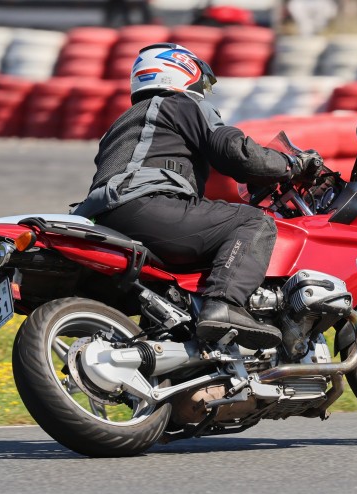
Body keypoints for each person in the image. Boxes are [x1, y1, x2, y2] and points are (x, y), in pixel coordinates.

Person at [70, 43, 321, 351]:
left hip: (103, 218)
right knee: (254, 222)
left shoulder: (123, 124)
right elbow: (235, 153)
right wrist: (289, 164)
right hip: (148, 206)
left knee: (177, 285)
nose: (202, 88)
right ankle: (225, 304)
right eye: (201, 80)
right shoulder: (180, 103)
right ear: (181, 71)